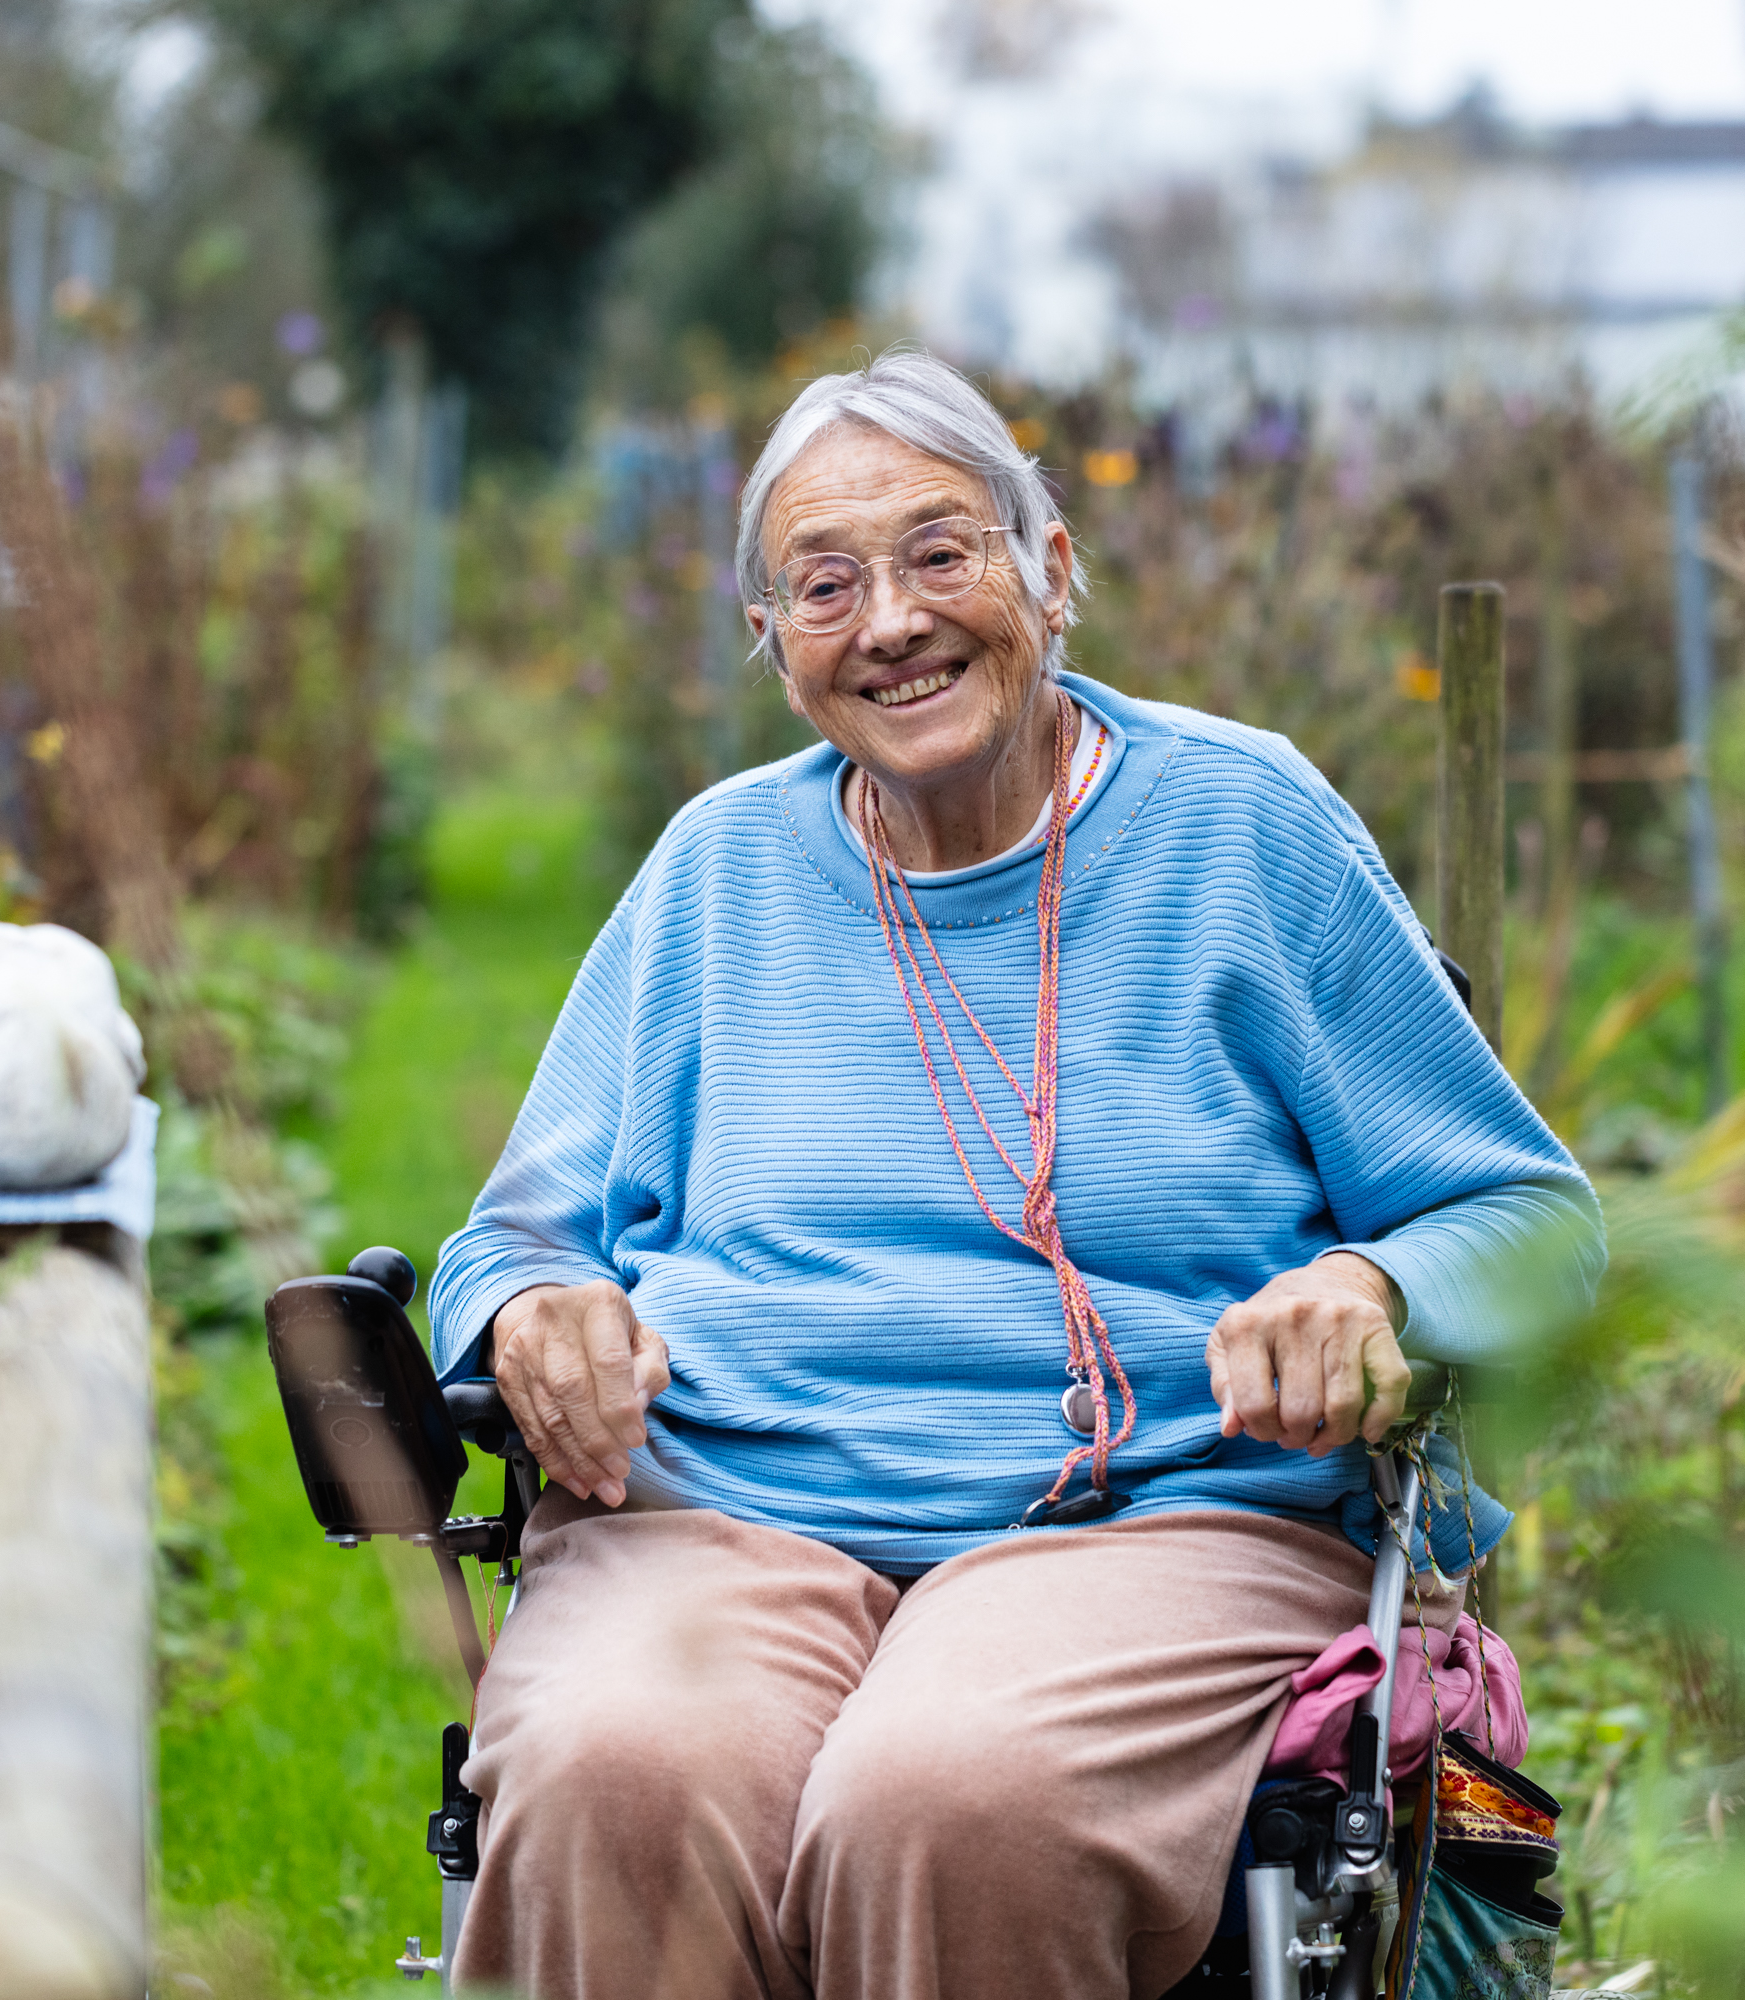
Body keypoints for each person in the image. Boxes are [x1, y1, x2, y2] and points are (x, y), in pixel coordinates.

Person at [429, 348, 1601, 2000]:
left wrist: (1372, 1280)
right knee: (617, 1769)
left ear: (1052, 572)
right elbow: (503, 1242)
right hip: (728, 1519)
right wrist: (540, 1306)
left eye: (939, 552)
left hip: (1156, 1518)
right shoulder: (719, 871)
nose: (891, 621)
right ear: (773, 649)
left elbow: (1533, 1220)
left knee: (948, 1797)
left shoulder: (1241, 828)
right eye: (823, 585)